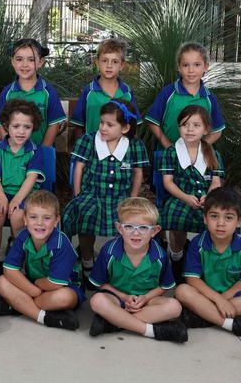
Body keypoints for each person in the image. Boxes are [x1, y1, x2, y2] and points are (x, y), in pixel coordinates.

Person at [62, 99, 148, 279]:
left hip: (120, 196)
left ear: (124, 128)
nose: (103, 128)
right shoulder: (88, 140)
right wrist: (77, 195)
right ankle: (87, 262)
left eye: (110, 124)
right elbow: (79, 167)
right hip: (92, 194)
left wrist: (133, 198)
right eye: (101, 122)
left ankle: (118, 264)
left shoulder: (134, 145)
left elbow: (138, 172)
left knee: (127, 222)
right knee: (85, 216)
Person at [88, 197, 187, 342]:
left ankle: (113, 322)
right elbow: (100, 283)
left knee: (175, 307)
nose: (136, 233)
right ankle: (150, 331)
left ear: (155, 231)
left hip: (146, 301)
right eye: (129, 226)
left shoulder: (159, 255)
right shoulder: (109, 251)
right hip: (117, 298)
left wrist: (146, 298)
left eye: (143, 227)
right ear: (119, 228)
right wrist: (124, 297)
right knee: (97, 301)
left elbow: (164, 286)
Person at [175, 187, 241, 339]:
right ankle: (231, 325)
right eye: (214, 216)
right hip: (204, 296)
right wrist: (217, 300)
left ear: (239, 222)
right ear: (205, 218)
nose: (220, 223)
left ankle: (202, 317)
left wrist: (223, 299)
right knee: (182, 291)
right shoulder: (197, 244)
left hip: (231, 298)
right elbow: (192, 279)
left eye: (228, 218)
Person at [0, 190, 84, 330]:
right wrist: (34, 291)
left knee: (65, 297)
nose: (39, 223)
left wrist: (34, 286)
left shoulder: (61, 244)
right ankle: (44, 317)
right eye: (33, 217)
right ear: (25, 219)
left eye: (47, 218)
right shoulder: (24, 237)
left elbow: (55, 284)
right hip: (35, 288)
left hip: (61, 287)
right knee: (1, 282)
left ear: (56, 220)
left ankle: (19, 305)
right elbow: (9, 270)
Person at [159, 105, 224, 281]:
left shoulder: (212, 153)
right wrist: (186, 197)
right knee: (177, 216)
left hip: (207, 198)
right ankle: (177, 257)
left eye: (196, 125)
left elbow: (216, 181)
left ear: (205, 130)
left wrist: (209, 197)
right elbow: (168, 182)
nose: (189, 129)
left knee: (219, 217)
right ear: (179, 127)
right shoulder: (171, 152)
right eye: (185, 125)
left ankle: (209, 261)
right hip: (180, 196)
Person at [0, 99, 45, 285]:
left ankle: (17, 264)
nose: (21, 131)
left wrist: (17, 200)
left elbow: (31, 179)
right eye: (16, 126)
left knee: (18, 217)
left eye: (27, 127)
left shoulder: (35, 151)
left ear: (33, 128)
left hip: (27, 196)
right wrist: (2, 198)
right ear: (6, 126)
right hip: (1, 193)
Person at [146, 42, 225, 149]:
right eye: (185, 65)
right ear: (179, 67)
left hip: (196, 159)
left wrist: (199, 149)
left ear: (206, 67)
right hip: (168, 155)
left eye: (197, 65)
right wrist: (168, 145)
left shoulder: (209, 98)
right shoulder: (168, 92)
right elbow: (152, 122)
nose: (191, 70)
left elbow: (217, 131)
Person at [0, 38, 66, 146]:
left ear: (40, 62)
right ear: (13, 62)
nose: (25, 64)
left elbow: (53, 125)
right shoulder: (8, 92)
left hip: (41, 156)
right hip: (14, 155)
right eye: (19, 59)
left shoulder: (48, 92)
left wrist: (42, 153)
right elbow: (1, 124)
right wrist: (13, 150)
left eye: (31, 60)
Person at [69, 38, 140, 142]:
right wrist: (81, 150)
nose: (109, 66)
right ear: (97, 63)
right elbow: (79, 126)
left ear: (122, 65)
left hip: (120, 153)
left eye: (115, 61)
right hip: (92, 151)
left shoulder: (127, 93)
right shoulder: (89, 92)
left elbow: (133, 126)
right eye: (104, 60)